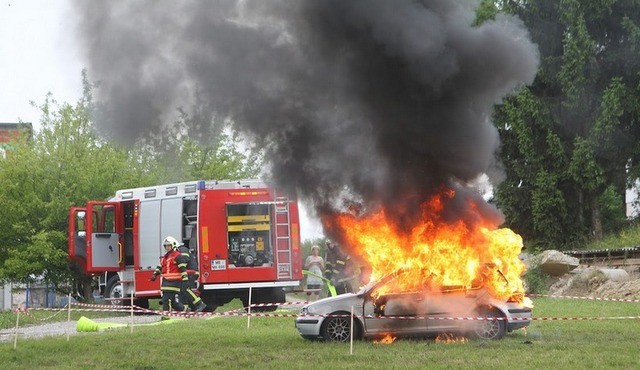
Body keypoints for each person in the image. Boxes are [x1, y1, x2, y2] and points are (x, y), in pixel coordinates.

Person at [150, 236, 188, 312]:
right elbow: (160, 267)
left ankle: (166, 316)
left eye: (168, 245)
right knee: (173, 302)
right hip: (165, 282)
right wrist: (155, 275)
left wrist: (185, 280)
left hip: (174, 283)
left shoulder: (178, 256)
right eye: (166, 246)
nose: (167, 247)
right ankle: (184, 309)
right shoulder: (165, 257)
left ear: (173, 245)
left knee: (166, 300)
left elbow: (183, 269)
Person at [177, 242, 207, 312]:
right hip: (189, 272)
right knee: (182, 290)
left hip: (190, 272)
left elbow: (184, 260)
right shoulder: (182, 249)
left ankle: (200, 304)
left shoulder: (182, 249)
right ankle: (188, 307)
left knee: (186, 289)